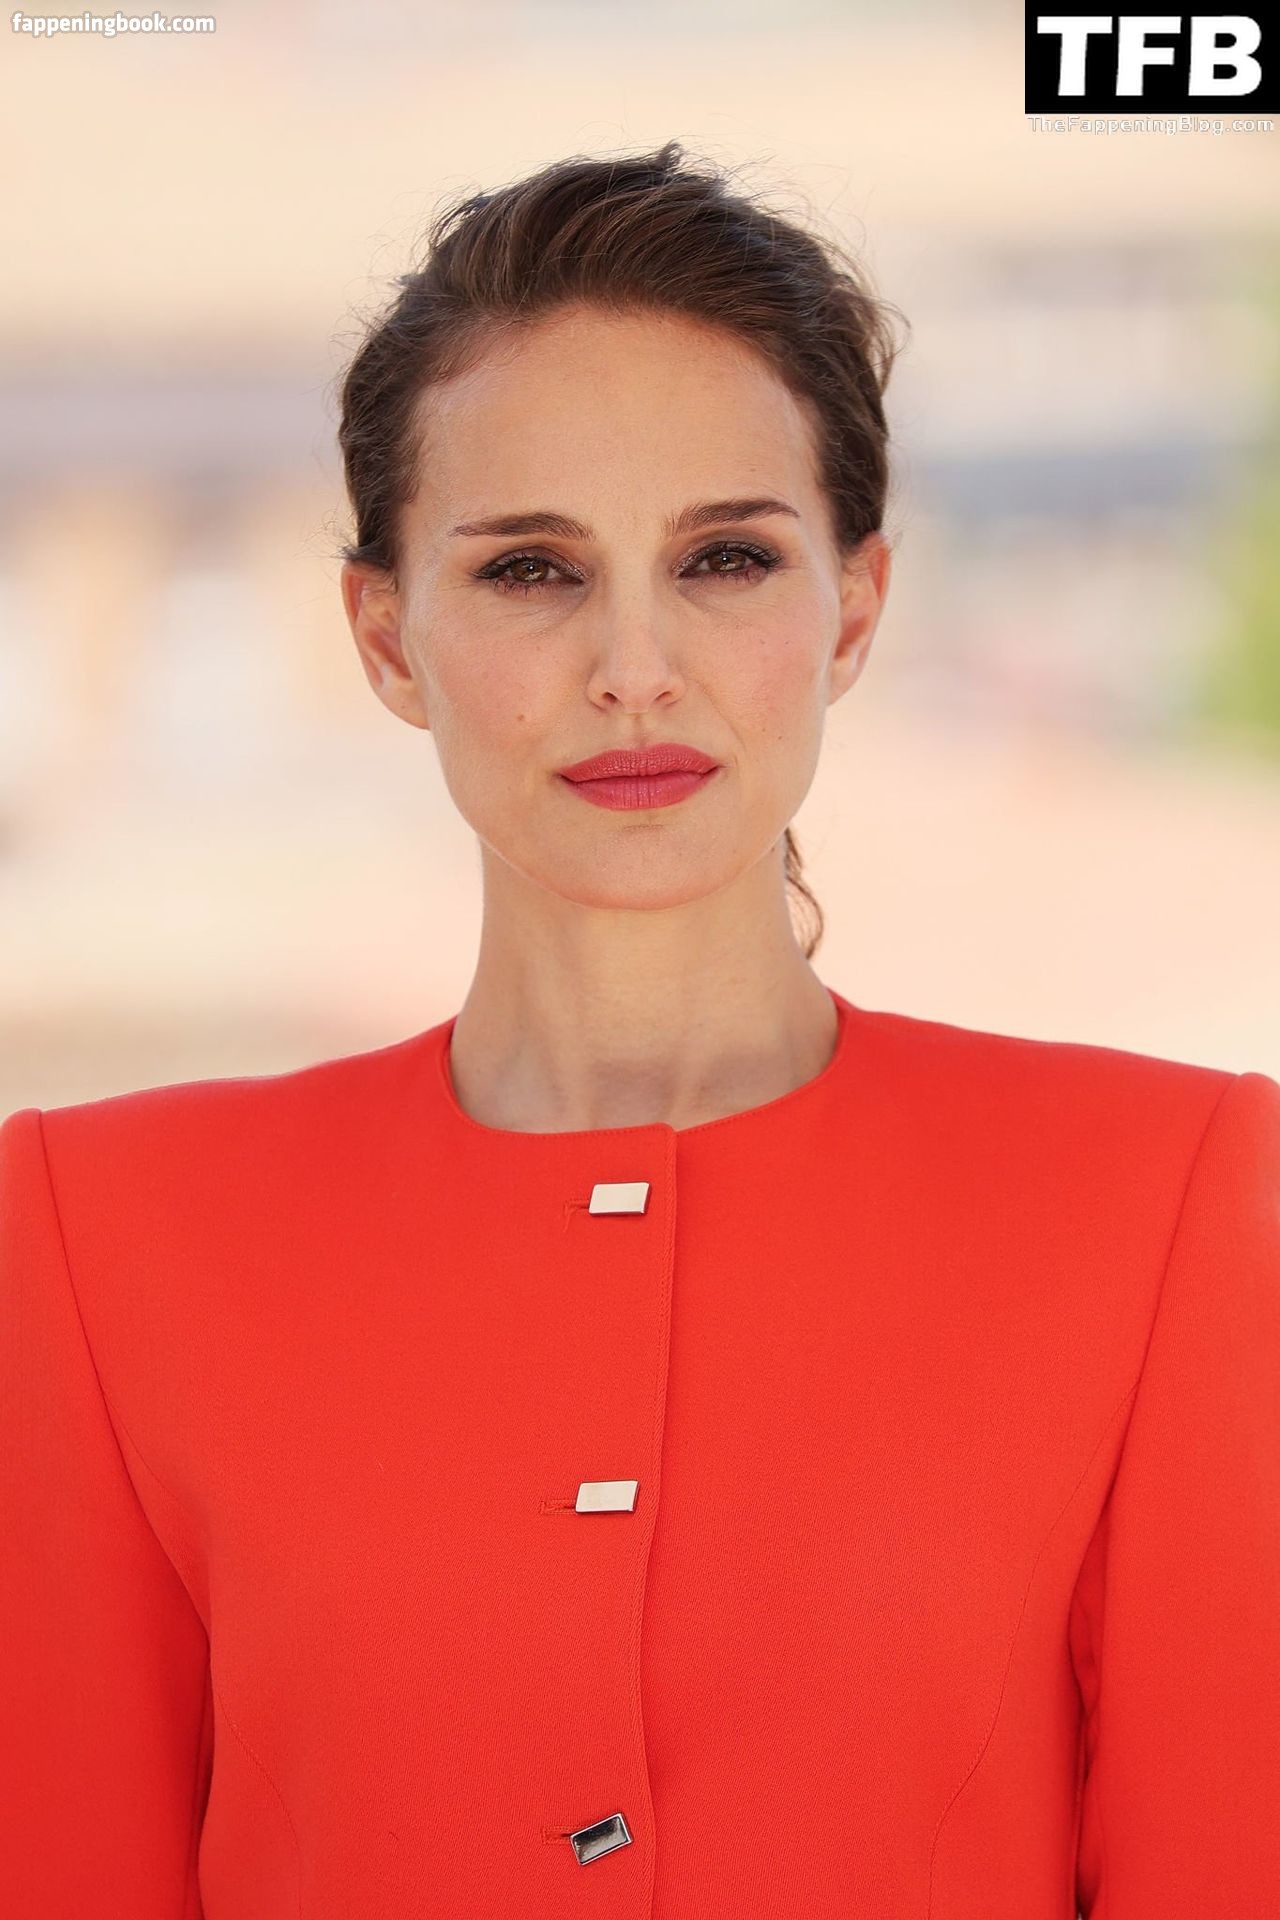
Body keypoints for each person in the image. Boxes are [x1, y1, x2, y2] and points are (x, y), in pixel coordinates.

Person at [2, 139, 1277, 1919]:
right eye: (531, 571)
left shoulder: (1170, 1201)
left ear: (856, 607)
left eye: (727, 558)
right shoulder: (91, 1236)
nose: (634, 668)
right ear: (385, 636)